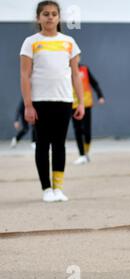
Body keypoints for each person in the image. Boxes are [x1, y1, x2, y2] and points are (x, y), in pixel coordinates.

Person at [20, 0, 84, 202]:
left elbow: (76, 75)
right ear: (38, 18)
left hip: (64, 100)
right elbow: (24, 75)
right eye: (45, 14)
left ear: (59, 17)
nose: (50, 17)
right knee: (42, 144)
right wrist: (28, 104)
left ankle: (58, 188)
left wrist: (80, 101)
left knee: (59, 144)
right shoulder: (31, 42)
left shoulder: (69, 42)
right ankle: (46, 189)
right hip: (40, 101)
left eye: (54, 14)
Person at [72, 62, 105, 165]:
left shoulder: (84, 69)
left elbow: (94, 83)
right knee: (77, 130)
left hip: (86, 104)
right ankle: (81, 155)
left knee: (87, 132)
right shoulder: (66, 70)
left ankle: (86, 153)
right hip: (73, 105)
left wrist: (100, 95)